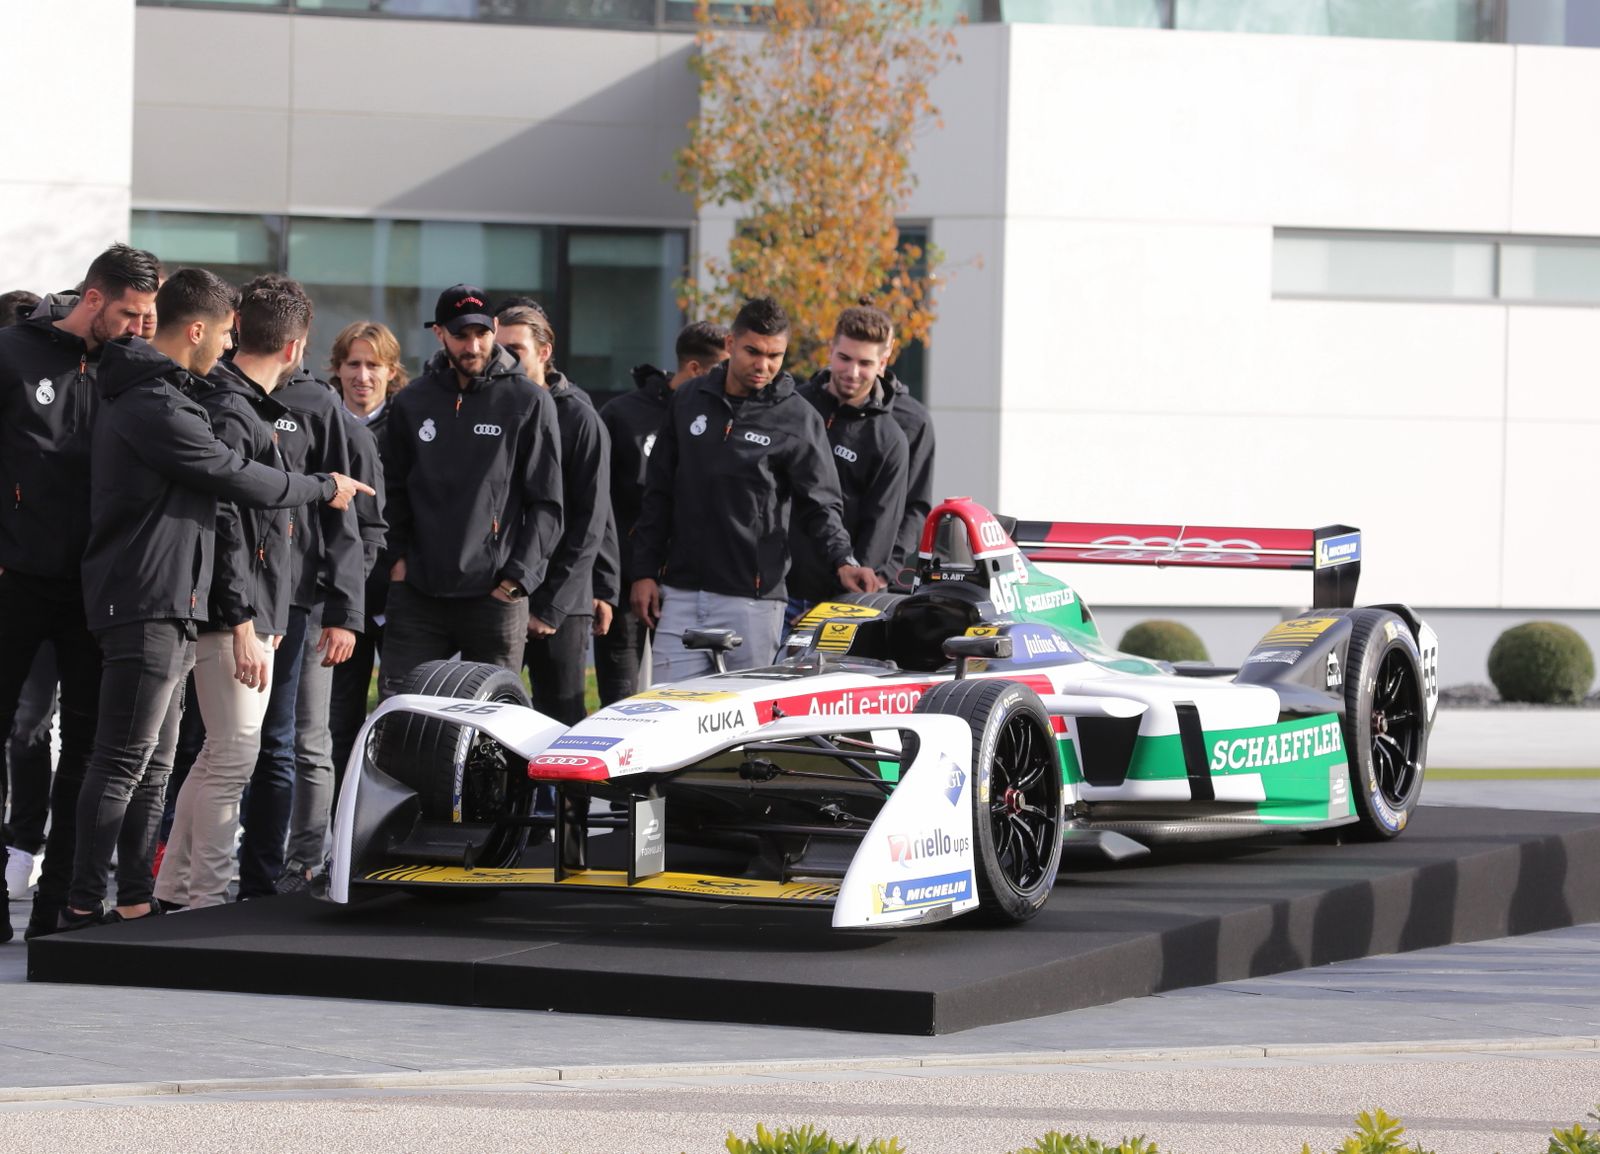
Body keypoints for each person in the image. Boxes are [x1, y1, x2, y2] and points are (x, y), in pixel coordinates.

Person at [61, 268, 370, 931]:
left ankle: (137, 901)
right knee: (123, 759)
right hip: (146, 598)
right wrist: (320, 488)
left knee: (156, 765)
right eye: (227, 330)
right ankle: (85, 904)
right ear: (198, 329)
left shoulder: (172, 394)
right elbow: (233, 477)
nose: (233, 343)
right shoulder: (155, 405)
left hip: (178, 599)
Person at [0, 244, 161, 941]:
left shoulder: (136, 373)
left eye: (147, 317)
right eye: (129, 313)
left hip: (97, 592)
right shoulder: (12, 353)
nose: (137, 327)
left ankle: (56, 908)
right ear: (94, 298)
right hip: (15, 579)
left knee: (90, 748)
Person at [153, 276, 310, 911]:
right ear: (297, 348)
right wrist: (244, 618)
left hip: (240, 608)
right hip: (232, 614)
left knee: (218, 758)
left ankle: (179, 888)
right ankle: (205, 897)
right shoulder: (233, 409)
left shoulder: (233, 404)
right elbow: (228, 523)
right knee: (232, 761)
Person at [628, 298, 881, 681]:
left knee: (744, 728)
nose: (763, 365)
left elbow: (821, 505)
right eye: (753, 352)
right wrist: (644, 572)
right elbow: (658, 495)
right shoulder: (688, 400)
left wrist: (843, 559)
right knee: (668, 714)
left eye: (774, 355)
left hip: (753, 601)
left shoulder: (798, 417)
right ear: (730, 344)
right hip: (678, 593)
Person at [376, 284, 564, 697]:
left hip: (494, 597)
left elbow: (547, 505)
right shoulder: (411, 402)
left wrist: (516, 579)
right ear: (439, 333)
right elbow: (391, 492)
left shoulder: (528, 401)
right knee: (403, 713)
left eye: (481, 333)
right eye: (461, 335)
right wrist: (398, 562)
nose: (473, 345)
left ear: (495, 329)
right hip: (419, 595)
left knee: (493, 725)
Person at [595, 321, 728, 704]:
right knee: (618, 699)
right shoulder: (621, 415)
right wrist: (613, 578)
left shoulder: (723, 417)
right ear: (695, 369)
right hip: (625, 582)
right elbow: (600, 504)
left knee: (684, 699)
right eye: (724, 368)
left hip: (692, 583)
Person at [786, 306, 911, 627]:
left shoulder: (889, 439)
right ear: (830, 350)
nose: (852, 371)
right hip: (770, 594)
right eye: (844, 358)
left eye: (865, 363)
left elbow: (877, 537)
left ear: (883, 364)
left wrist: (834, 610)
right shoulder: (793, 407)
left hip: (831, 604)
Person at [327, 321, 403, 792]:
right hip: (337, 594)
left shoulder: (411, 424)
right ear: (336, 369)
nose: (362, 375)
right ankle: (332, 826)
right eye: (352, 364)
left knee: (396, 719)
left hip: (398, 593)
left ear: (391, 371)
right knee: (336, 719)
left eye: (373, 365)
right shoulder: (323, 419)